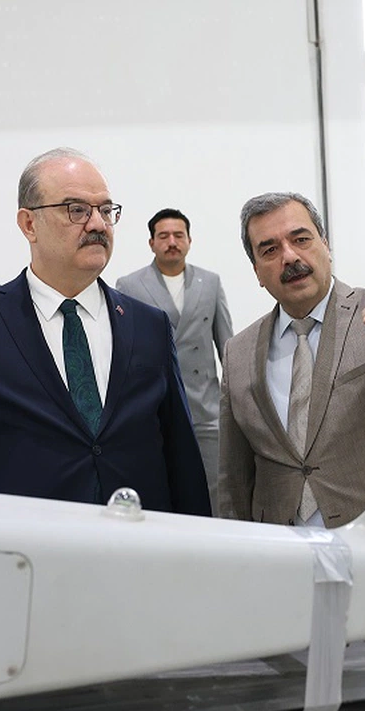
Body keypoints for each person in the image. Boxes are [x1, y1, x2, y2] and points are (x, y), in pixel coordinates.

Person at [0, 148, 210, 515]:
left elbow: (182, 462)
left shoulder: (149, 326)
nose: (98, 224)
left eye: (106, 210)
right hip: (26, 542)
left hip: (137, 539)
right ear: (29, 224)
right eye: (77, 210)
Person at [218, 192, 365, 529]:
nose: (289, 256)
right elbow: (234, 479)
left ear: (325, 246)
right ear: (257, 271)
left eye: (301, 239)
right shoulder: (238, 352)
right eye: (269, 250)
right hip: (279, 545)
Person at [115, 208, 233, 506]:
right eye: (164, 236)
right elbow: (123, 352)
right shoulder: (129, 286)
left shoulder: (211, 282)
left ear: (189, 240)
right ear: (151, 242)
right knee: (162, 487)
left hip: (205, 408)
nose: (172, 242)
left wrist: (233, 403)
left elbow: (227, 346)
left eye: (178, 235)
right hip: (153, 407)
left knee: (212, 490)